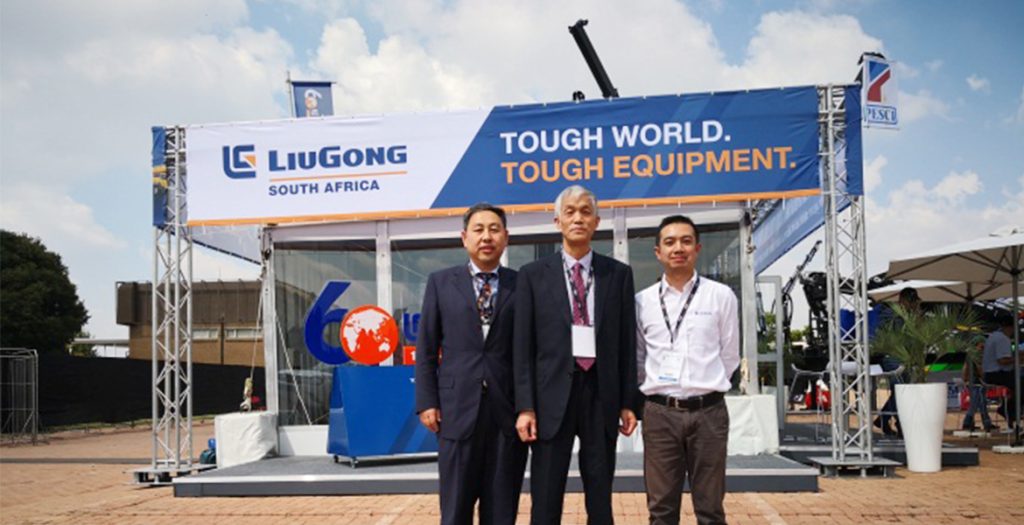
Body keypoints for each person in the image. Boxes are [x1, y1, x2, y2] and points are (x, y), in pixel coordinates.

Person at [513, 185, 638, 525]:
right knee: (545, 497)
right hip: (550, 398)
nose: (578, 218)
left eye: (585, 211)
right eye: (570, 212)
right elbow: (522, 347)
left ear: (597, 221)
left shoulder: (618, 274)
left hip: (601, 395)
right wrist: (525, 406)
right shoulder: (532, 276)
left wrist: (628, 401)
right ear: (558, 221)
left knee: (600, 495)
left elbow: (627, 344)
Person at [415, 203, 527, 525]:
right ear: (465, 238)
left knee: (501, 511)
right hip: (456, 411)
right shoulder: (441, 282)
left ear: (506, 237)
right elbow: (426, 348)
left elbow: (529, 352)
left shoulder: (522, 284)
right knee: (455, 511)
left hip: (506, 413)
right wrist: (427, 401)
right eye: (479, 230)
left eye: (494, 229)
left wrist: (527, 407)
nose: (486, 237)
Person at [634, 215, 739, 525]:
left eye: (686, 241)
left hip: (709, 414)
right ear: (658, 252)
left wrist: (704, 386)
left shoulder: (720, 296)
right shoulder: (642, 302)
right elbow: (639, 359)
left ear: (697, 249)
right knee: (661, 510)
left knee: (710, 509)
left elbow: (730, 355)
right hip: (660, 415)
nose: (678, 248)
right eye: (669, 242)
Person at [983, 315, 1017, 426]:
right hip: (997, 374)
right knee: (1021, 385)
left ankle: (1010, 412)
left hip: (989, 374)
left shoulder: (993, 336)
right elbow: (1002, 360)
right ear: (1011, 327)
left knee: (1017, 384)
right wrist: (1017, 359)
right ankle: (1008, 411)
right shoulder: (1003, 339)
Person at [961, 334, 995, 432]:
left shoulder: (970, 354)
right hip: (978, 382)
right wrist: (986, 379)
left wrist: (965, 380)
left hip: (972, 382)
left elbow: (965, 368)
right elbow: (980, 369)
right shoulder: (978, 355)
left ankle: (984, 423)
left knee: (979, 403)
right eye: (982, 345)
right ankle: (968, 423)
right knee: (977, 403)